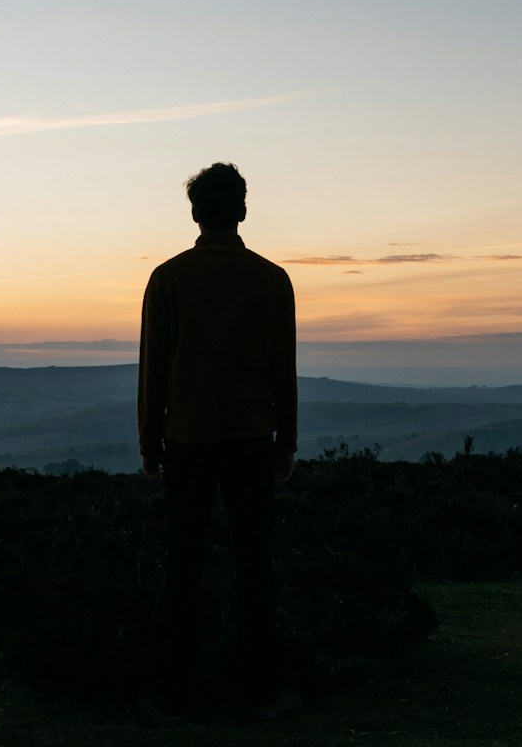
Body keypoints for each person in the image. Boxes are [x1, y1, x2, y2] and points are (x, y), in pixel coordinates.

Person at [137, 162, 298, 722]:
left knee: (182, 565)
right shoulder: (272, 279)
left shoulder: (168, 277)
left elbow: (153, 370)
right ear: (243, 210)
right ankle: (262, 692)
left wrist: (148, 444)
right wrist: (288, 442)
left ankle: (169, 695)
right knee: (254, 565)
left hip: (187, 441)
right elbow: (284, 370)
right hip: (253, 439)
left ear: (195, 212)